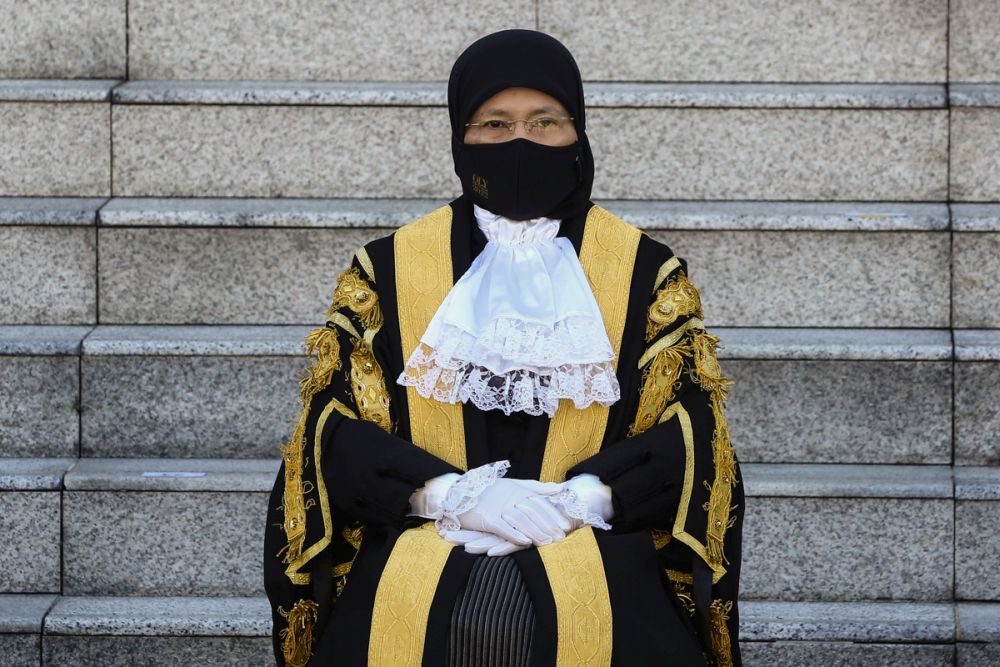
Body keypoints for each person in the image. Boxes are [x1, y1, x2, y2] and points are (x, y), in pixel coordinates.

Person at [263, 29, 744, 667]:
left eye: (546, 121)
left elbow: (692, 430)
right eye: (495, 123)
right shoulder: (388, 267)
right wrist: (446, 496)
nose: (521, 141)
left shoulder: (645, 270)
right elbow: (332, 426)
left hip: (597, 537)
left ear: (579, 131)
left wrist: (587, 500)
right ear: (461, 136)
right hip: (423, 527)